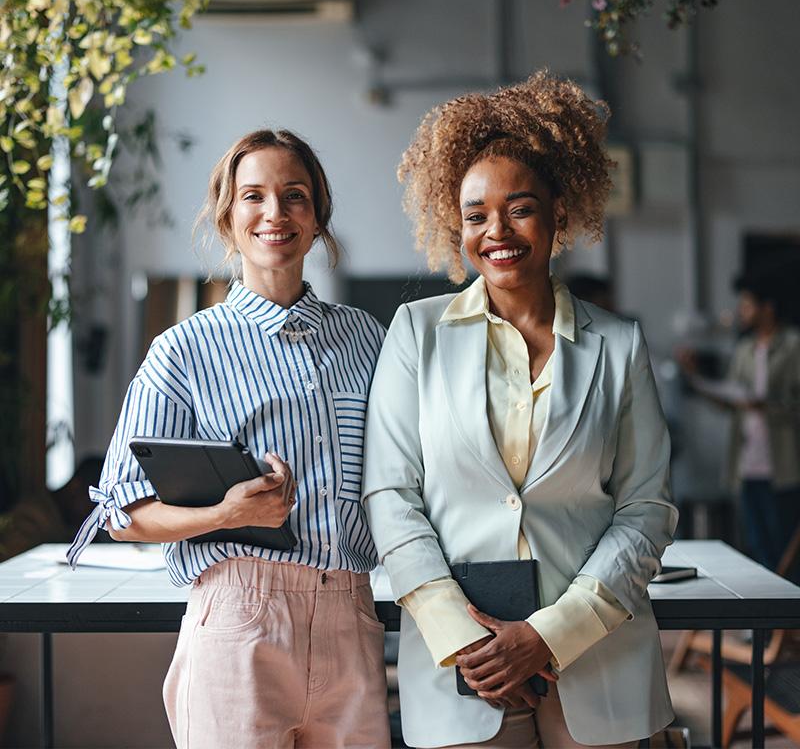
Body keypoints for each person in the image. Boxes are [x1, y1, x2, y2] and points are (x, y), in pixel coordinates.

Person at [363, 72, 678, 749]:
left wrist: (548, 634)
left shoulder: (619, 346)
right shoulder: (414, 334)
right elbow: (390, 496)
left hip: (600, 659)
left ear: (559, 212)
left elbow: (646, 508)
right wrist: (464, 636)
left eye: (521, 207)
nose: (496, 231)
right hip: (464, 667)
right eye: (475, 214)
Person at [67, 130, 390, 749]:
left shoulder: (366, 339)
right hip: (240, 616)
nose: (275, 213)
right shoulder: (184, 349)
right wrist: (226, 513)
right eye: (253, 196)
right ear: (227, 217)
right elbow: (119, 515)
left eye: (294, 196)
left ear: (318, 216)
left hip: (351, 612)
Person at [680, 269, 800, 570]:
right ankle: (771, 615)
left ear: (767, 307)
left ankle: (790, 612)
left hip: (784, 465)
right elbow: (733, 401)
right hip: (747, 465)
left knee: (785, 546)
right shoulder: (745, 349)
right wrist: (697, 381)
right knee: (758, 546)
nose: (741, 311)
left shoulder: (793, 346)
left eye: (747, 304)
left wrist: (767, 406)